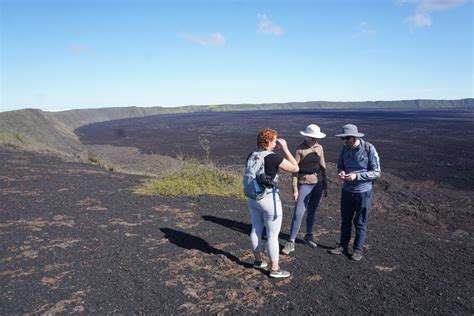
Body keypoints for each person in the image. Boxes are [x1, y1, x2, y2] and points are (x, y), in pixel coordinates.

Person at [246, 128, 299, 278]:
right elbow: (295, 167)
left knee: (256, 229)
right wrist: (286, 150)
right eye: (275, 141)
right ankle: (275, 269)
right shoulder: (273, 157)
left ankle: (257, 261)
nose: (276, 143)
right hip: (268, 199)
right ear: (268, 142)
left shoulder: (252, 155)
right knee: (272, 235)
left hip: (252, 198)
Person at [329, 124, 381, 261]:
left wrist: (357, 177)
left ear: (355, 137)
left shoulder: (369, 148)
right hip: (347, 191)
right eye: (343, 139)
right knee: (345, 220)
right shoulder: (345, 149)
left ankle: (358, 250)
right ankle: (342, 246)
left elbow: (376, 172)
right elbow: (340, 165)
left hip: (363, 192)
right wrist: (341, 172)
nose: (345, 141)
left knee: (360, 221)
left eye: (347, 138)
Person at [282, 124, 328, 255]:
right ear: (307, 136)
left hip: (317, 183)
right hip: (304, 183)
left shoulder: (320, 148)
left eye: (316, 138)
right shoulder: (299, 150)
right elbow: (294, 170)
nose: (315, 140)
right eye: (313, 138)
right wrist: (295, 189)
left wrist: (325, 185)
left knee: (312, 211)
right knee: (298, 213)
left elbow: (322, 166)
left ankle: (308, 235)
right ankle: (291, 241)